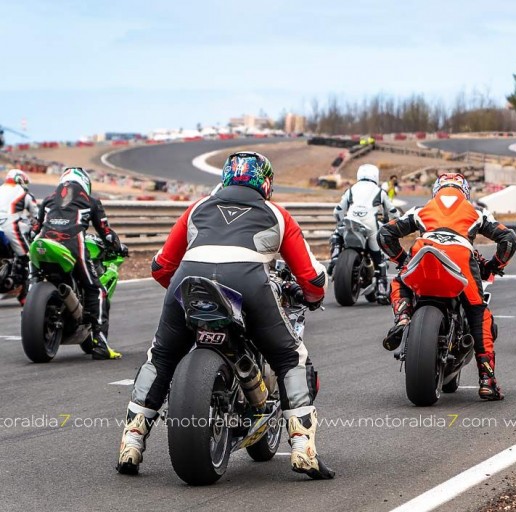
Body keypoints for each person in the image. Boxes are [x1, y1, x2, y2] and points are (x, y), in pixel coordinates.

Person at [116, 151, 334, 480]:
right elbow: (312, 278)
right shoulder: (277, 214)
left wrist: (178, 290)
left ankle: (131, 441)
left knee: (160, 356)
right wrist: (314, 297)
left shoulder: (197, 208)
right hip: (249, 282)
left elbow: (160, 267)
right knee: (291, 357)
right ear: (266, 183)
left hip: (188, 279)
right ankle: (303, 447)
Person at [378, 173, 516, 400]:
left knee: (401, 281)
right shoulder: (476, 212)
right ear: (465, 192)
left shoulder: (422, 210)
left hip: (424, 249)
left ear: (436, 191)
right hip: (461, 255)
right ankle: (487, 381)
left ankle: (403, 316)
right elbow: (508, 239)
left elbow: (384, 234)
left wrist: (402, 260)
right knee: (478, 311)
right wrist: (493, 266)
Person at [33, 167, 125, 358]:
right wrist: (118, 247)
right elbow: (106, 234)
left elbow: (34, 229)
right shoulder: (90, 201)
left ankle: (29, 299)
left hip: (42, 244)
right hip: (73, 244)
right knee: (97, 290)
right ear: (85, 183)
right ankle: (100, 344)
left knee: (33, 275)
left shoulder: (48, 199)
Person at [328, 164, 399, 301]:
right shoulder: (380, 191)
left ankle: (334, 259)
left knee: (337, 234)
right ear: (375, 176)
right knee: (379, 259)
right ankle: (382, 291)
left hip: (350, 221)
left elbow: (337, 211)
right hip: (370, 224)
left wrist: (340, 223)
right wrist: (395, 223)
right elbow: (393, 212)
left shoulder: (351, 189)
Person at [0, 169, 38, 304]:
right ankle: (25, 298)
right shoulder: (24, 194)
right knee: (28, 259)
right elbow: (37, 214)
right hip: (9, 229)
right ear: (20, 180)